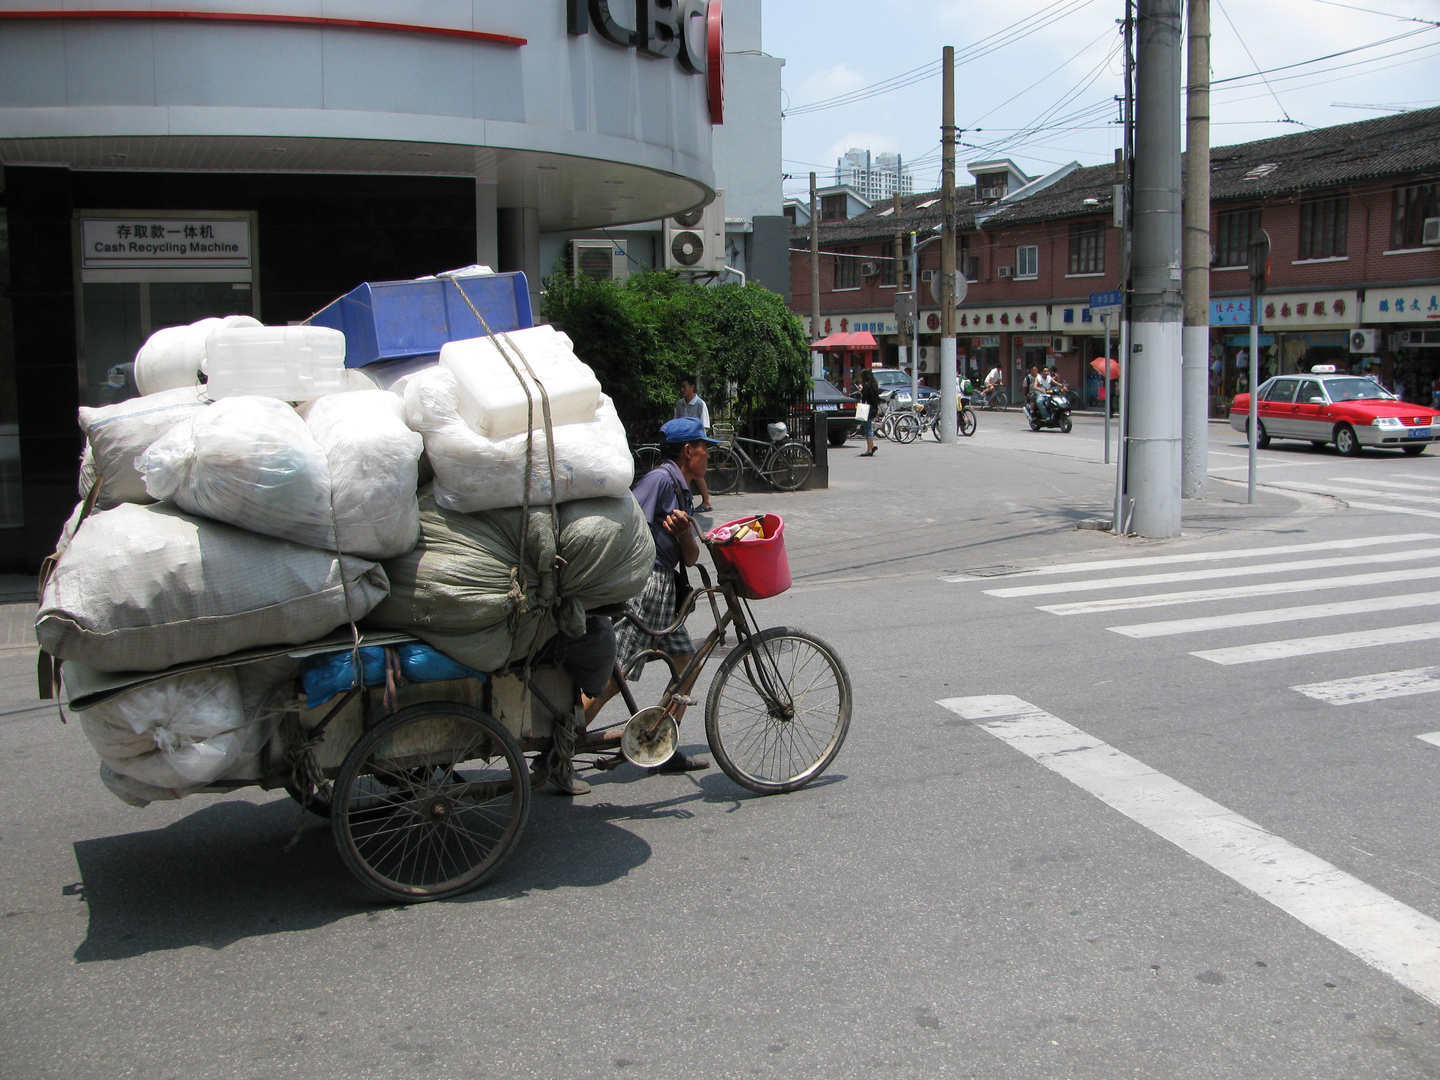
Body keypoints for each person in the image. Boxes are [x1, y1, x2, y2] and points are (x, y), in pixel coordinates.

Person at [583, 415, 716, 776]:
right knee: (614, 677)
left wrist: (686, 533)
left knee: (689, 662)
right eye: (705, 447)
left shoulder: (682, 488)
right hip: (647, 586)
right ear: (689, 451)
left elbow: (690, 556)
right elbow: (628, 528)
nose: (709, 454)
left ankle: (662, 746)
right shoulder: (660, 479)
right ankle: (560, 748)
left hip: (665, 588)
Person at [673, 376, 714, 512]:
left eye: (685, 386)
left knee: (696, 473)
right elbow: (676, 423)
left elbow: (705, 426)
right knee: (684, 472)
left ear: (692, 387)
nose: (682, 389)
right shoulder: (680, 404)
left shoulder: (700, 404)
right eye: (681, 387)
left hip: (695, 443)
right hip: (683, 444)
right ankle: (686, 502)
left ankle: (706, 501)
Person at [857, 368, 882, 456]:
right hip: (873, 408)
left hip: (867, 409)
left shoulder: (867, 385)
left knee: (867, 429)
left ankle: (869, 450)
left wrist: (861, 390)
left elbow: (864, 398)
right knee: (864, 428)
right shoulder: (874, 384)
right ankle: (872, 445)